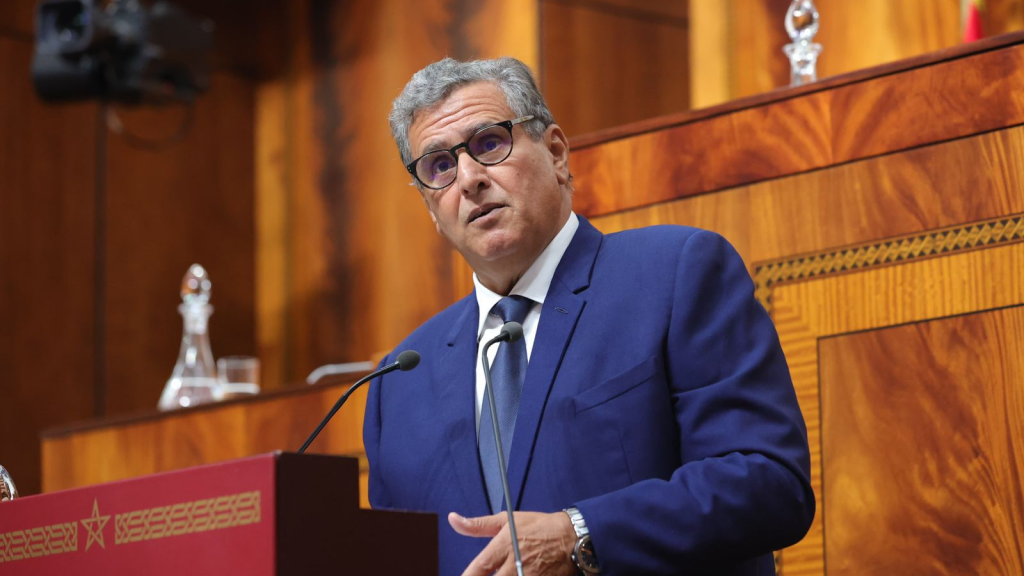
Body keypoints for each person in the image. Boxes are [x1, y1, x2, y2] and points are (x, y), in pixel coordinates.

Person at [363, 57, 815, 576]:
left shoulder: (675, 275)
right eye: (439, 166)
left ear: (556, 153)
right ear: (430, 207)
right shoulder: (399, 381)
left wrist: (582, 534)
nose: (468, 179)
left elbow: (768, 483)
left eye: (489, 143)